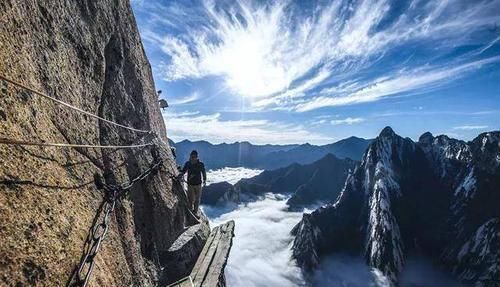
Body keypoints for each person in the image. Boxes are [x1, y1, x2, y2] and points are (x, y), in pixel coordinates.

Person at [180, 150, 206, 214]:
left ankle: (195, 212)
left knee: (196, 200)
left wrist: (205, 180)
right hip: (192, 184)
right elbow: (183, 171)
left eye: (194, 157)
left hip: (197, 184)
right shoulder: (188, 163)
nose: (192, 158)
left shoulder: (200, 164)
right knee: (191, 199)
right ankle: (191, 211)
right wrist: (180, 174)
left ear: (197, 157)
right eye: (192, 157)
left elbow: (203, 172)